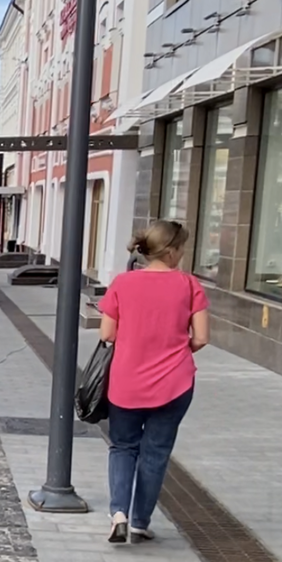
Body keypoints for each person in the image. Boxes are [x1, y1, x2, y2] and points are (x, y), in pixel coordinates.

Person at [99, 220, 210, 544]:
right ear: (172, 251)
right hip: (174, 383)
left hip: (127, 381)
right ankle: (140, 523)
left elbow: (107, 334)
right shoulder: (189, 285)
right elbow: (202, 337)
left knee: (122, 447)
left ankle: (118, 512)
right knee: (156, 452)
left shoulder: (123, 283)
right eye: (183, 248)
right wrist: (175, 349)